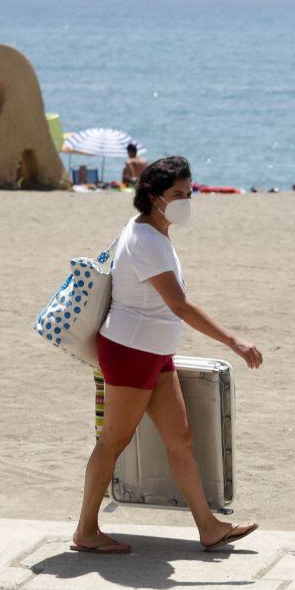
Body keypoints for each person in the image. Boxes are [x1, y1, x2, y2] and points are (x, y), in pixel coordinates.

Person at [74, 156, 263, 554]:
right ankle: (86, 531)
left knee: (181, 436)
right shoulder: (147, 241)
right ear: (154, 197)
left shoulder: (154, 231)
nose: (186, 200)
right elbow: (179, 305)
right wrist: (234, 341)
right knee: (113, 441)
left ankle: (209, 527)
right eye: (178, 194)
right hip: (130, 351)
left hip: (155, 351)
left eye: (189, 192)